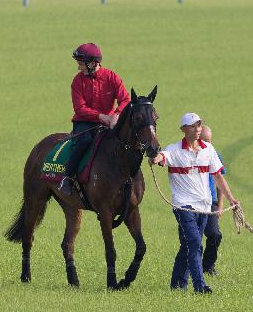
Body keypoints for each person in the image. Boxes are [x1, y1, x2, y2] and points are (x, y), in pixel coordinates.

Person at [150, 113, 239, 294]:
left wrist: (231, 199)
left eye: (199, 125)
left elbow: (218, 176)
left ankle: (177, 286)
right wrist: (154, 158)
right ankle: (200, 286)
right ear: (184, 129)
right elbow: (161, 157)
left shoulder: (209, 150)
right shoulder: (174, 150)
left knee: (188, 246)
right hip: (184, 206)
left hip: (205, 207)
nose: (198, 129)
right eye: (193, 126)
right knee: (195, 242)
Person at [59, 43, 130, 196]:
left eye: (80, 64)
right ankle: (68, 177)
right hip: (84, 122)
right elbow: (80, 109)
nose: (79, 68)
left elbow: (125, 100)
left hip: (109, 121)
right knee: (84, 142)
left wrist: (117, 114)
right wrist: (102, 116)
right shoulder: (77, 81)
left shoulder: (112, 77)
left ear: (92, 63)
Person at [200, 125, 225, 276]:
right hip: (194, 201)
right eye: (204, 141)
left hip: (212, 202)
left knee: (215, 234)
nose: (208, 144)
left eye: (209, 141)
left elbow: (221, 181)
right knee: (193, 238)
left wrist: (220, 205)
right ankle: (193, 266)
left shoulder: (214, 154)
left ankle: (208, 265)